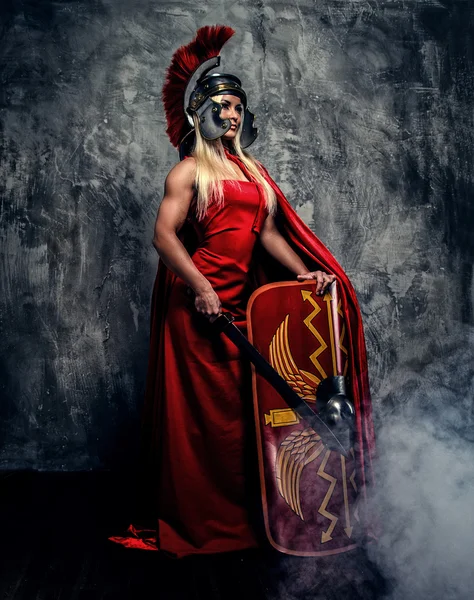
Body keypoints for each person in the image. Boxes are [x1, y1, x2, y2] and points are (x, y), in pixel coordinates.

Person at [110, 25, 375, 558]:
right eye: (222, 106)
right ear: (202, 112)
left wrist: (303, 273)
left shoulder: (253, 173)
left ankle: (247, 514)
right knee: (202, 420)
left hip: (240, 305)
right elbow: (163, 236)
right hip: (198, 306)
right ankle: (203, 520)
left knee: (241, 415)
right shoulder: (187, 171)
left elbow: (269, 234)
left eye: (238, 107)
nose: (231, 115)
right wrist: (202, 287)